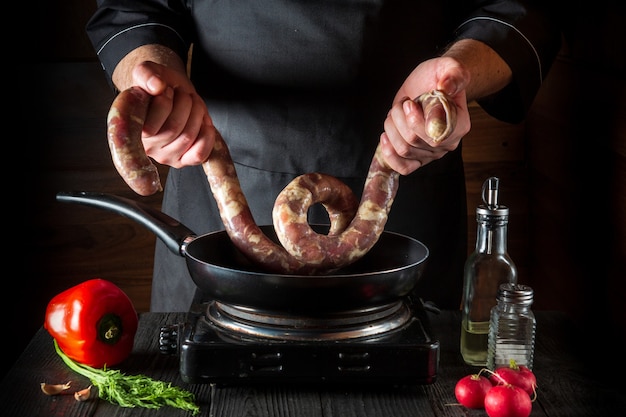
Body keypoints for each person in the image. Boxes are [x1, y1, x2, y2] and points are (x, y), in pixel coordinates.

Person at [86, 0, 561, 313]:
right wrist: (153, 82)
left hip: (405, 188)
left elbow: (522, 4)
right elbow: (132, 6)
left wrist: (459, 73)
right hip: (215, 210)